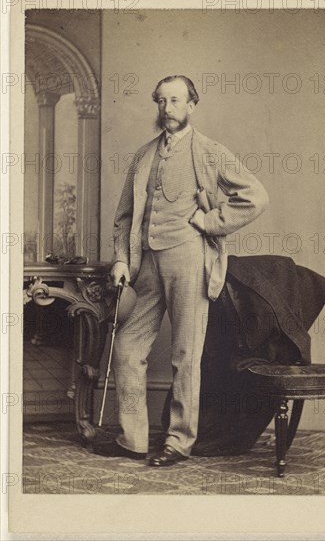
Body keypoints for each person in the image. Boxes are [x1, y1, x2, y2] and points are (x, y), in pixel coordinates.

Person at [93, 75, 269, 466]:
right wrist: (122, 259)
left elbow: (255, 196)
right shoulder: (143, 156)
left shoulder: (209, 152)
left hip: (189, 259)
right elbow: (124, 218)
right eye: (161, 101)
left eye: (175, 101)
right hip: (146, 265)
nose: (167, 109)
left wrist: (209, 222)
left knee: (185, 354)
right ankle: (132, 438)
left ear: (192, 104)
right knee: (127, 347)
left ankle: (179, 441)